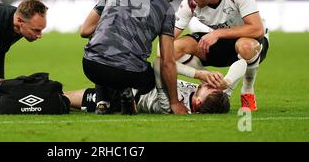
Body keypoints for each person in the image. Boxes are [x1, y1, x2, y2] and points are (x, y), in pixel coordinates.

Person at [80, 0, 188, 115]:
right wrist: (174, 102)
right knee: (148, 79)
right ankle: (127, 94)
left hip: (91, 67)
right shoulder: (166, 8)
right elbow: (167, 61)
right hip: (129, 74)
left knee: (103, 43)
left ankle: (102, 101)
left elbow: (85, 31)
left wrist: (110, 32)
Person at [173, 0, 269, 111]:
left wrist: (217, 33)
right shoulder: (189, 3)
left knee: (245, 46)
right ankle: (209, 82)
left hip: (252, 43)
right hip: (222, 45)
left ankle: (247, 91)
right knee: (173, 48)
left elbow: (257, 29)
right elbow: (168, 38)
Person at [66, 59, 248, 114]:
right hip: (131, 81)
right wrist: (228, 82)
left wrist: (197, 74)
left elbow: (160, 64)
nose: (210, 84)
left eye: (210, 88)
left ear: (198, 102)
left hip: (119, 98)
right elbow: (243, 63)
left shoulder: (171, 107)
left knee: (64, 100)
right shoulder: (218, 99)